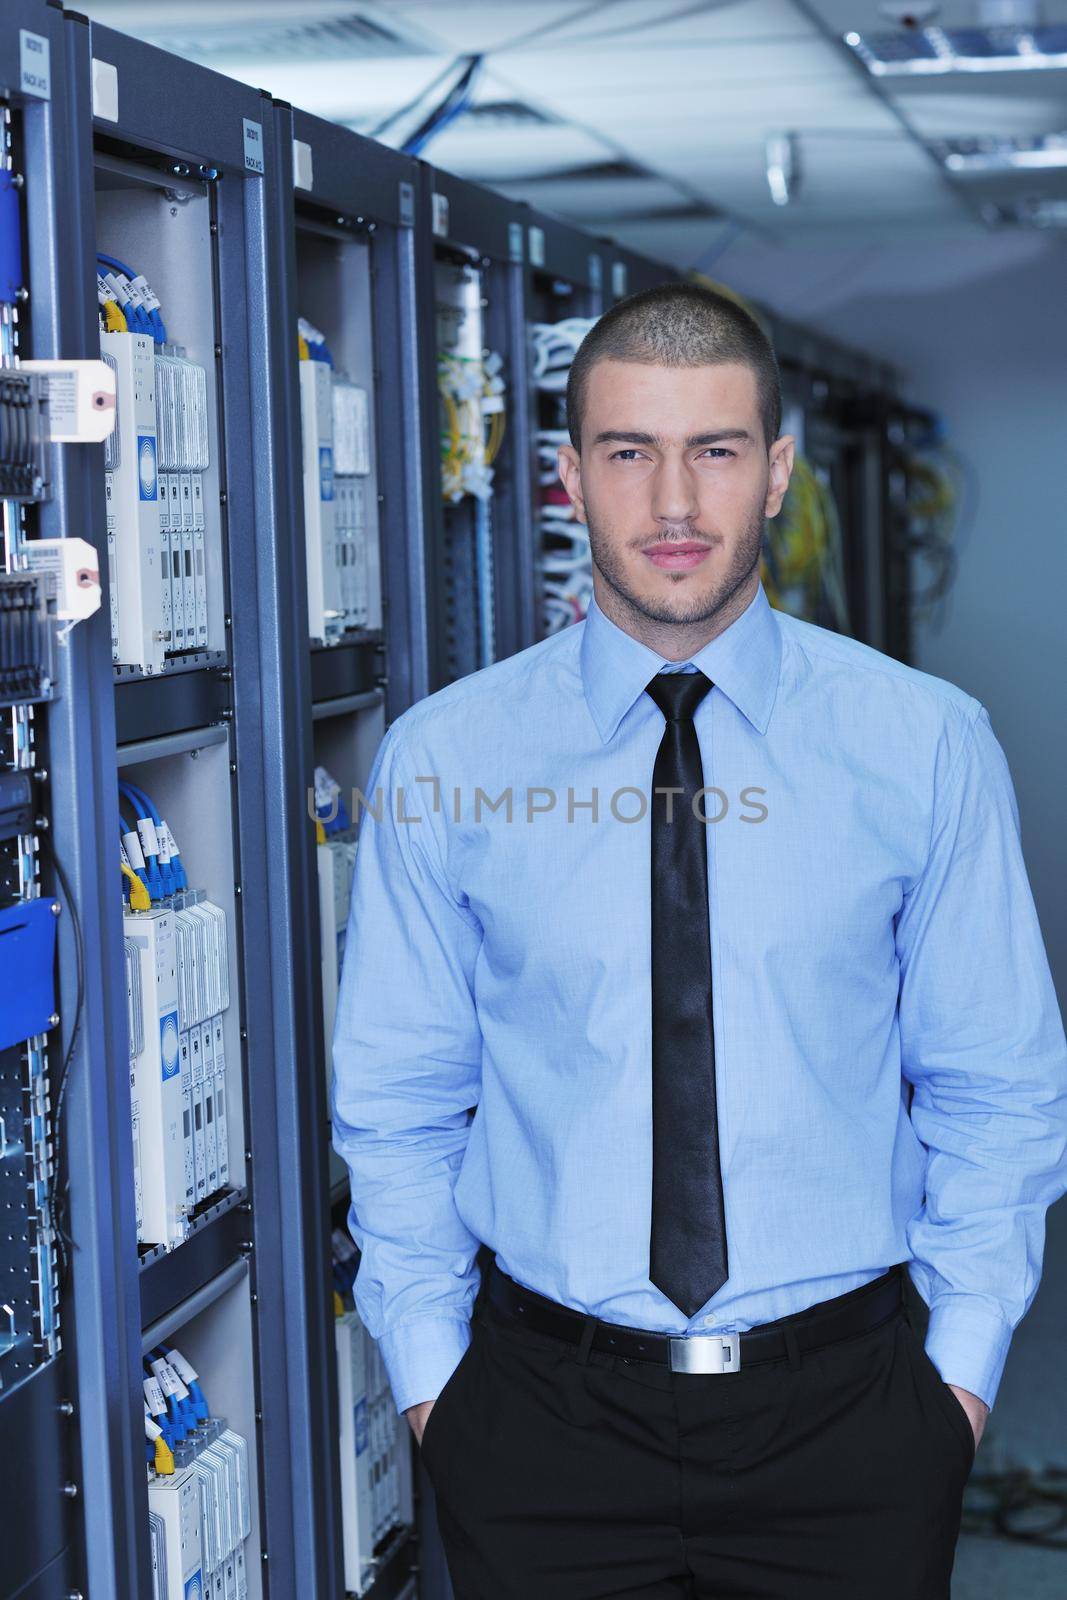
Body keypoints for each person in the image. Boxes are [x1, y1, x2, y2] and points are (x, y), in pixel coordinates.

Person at [331, 282, 1067, 1598]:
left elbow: (998, 1090)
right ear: (567, 478)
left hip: (849, 1424)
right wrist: (437, 1384)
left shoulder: (924, 745)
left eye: (716, 450)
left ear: (777, 473)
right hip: (540, 1426)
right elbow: (396, 1101)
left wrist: (954, 1385)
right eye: (629, 452)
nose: (674, 502)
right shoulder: (445, 758)